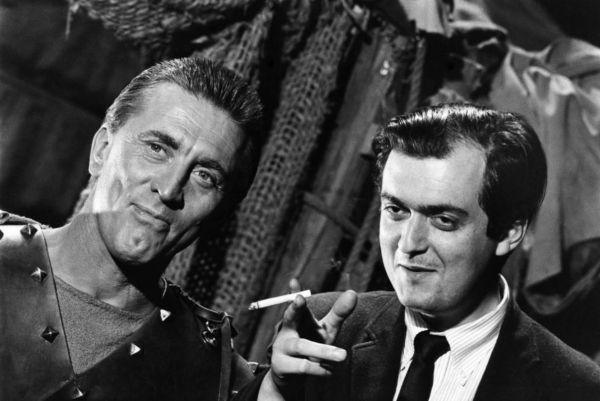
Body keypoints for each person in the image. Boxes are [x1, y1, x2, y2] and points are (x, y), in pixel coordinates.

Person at [241, 103, 600, 400]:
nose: (409, 243)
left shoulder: (575, 388)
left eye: (443, 219)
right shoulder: (321, 332)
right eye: (396, 210)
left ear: (509, 231)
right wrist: (276, 391)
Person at [0, 57, 263, 401]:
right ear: (102, 150)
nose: (169, 189)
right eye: (157, 148)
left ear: (222, 213)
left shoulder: (212, 375)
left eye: (205, 176)